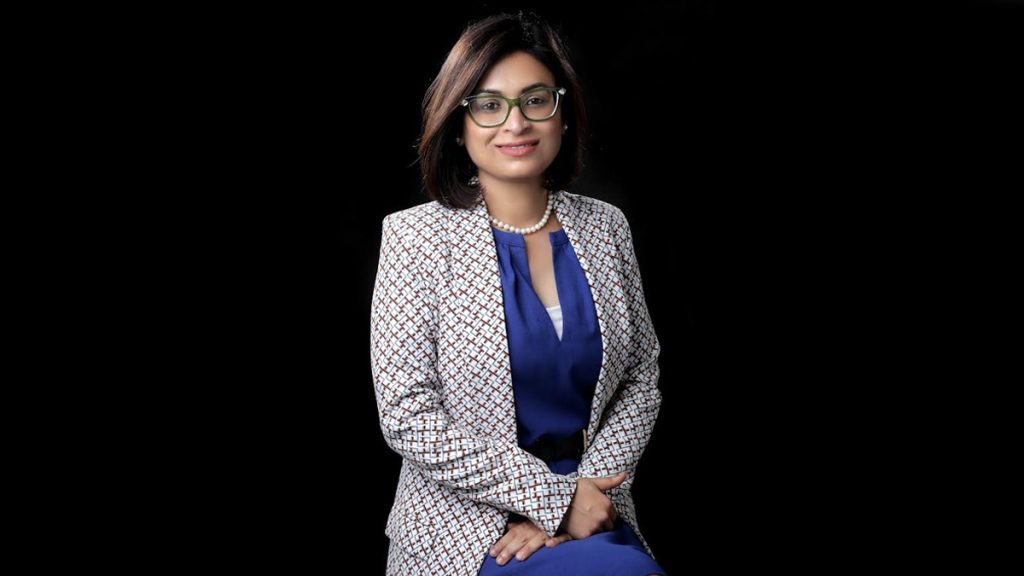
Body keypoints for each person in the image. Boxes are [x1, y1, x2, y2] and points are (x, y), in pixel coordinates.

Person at [371, 12, 665, 576]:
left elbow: (640, 375)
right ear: (459, 124)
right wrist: (552, 500)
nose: (516, 122)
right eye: (489, 105)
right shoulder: (414, 237)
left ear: (562, 114)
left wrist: (583, 497)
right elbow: (407, 414)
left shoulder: (606, 227)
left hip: (593, 508)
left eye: (535, 100)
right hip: (466, 526)